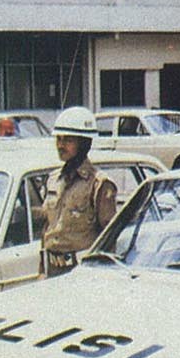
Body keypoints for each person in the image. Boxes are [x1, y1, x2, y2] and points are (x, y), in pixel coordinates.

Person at [38, 105, 117, 276]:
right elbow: (46, 230)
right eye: (58, 139)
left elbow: (109, 237)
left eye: (68, 140)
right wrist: (42, 271)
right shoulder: (53, 180)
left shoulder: (99, 184)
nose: (60, 145)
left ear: (83, 143)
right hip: (52, 271)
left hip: (82, 272)